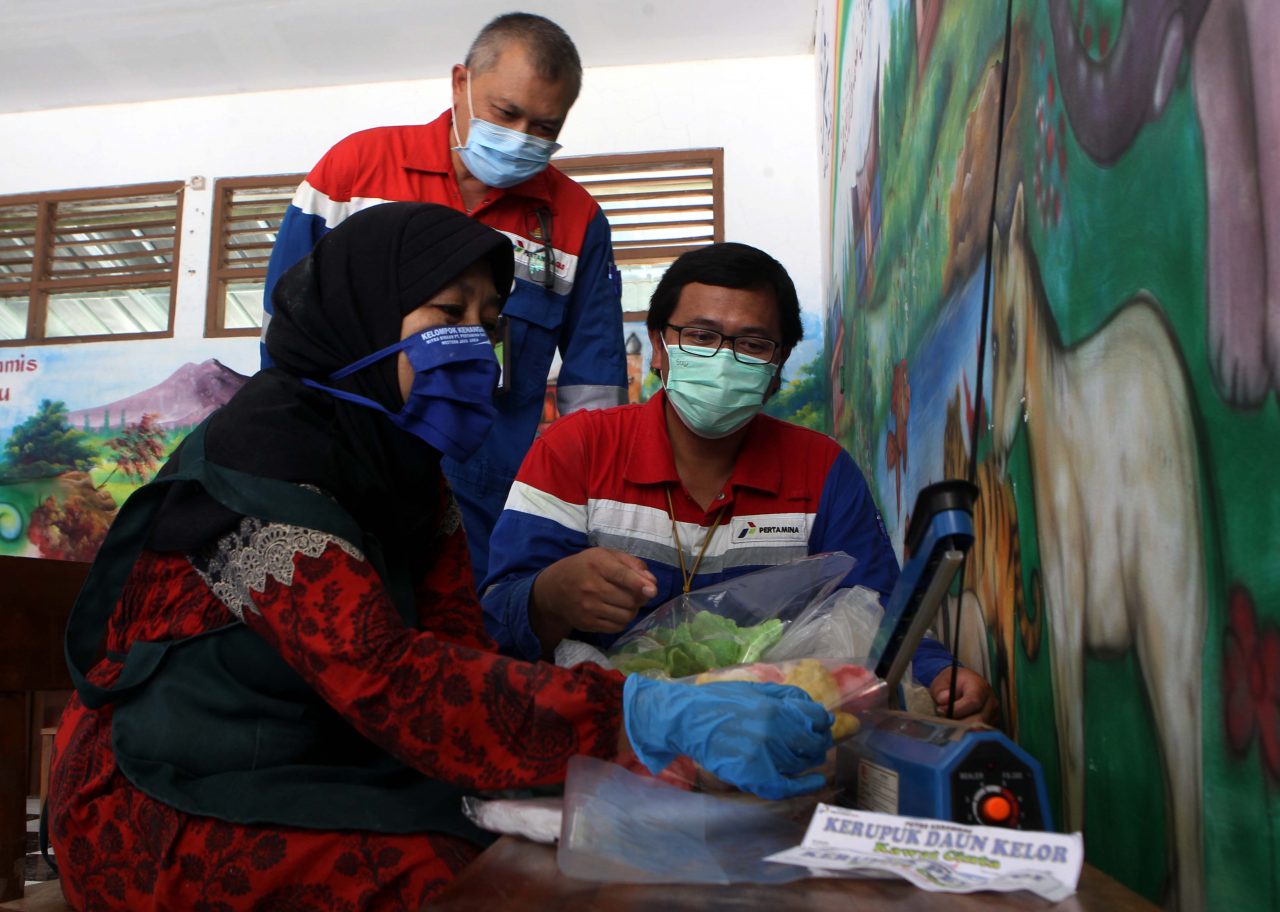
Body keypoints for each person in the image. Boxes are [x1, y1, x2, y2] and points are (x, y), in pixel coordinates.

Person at [47, 205, 835, 911]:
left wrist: (622, 741)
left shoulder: (408, 471)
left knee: (581, 846)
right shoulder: (264, 459)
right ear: (365, 311)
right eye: (447, 312)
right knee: (466, 879)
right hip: (164, 793)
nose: (475, 344)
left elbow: (457, 649)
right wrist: (641, 718)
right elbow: (388, 677)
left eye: (488, 321)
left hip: (325, 760)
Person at [481, 242, 999, 724]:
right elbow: (495, 619)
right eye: (700, 336)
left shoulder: (822, 470)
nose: (724, 360)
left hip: (772, 734)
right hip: (609, 730)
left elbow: (878, 609)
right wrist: (550, 596)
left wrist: (937, 674)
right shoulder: (576, 448)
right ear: (659, 347)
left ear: (777, 366)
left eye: (752, 344)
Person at [262, 12, 626, 584]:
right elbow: (284, 334)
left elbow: (595, 388)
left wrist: (587, 514)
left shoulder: (577, 221)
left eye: (544, 127)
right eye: (505, 113)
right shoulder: (354, 172)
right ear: (461, 83)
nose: (521, 138)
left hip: (485, 498)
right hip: (340, 476)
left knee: (467, 630)